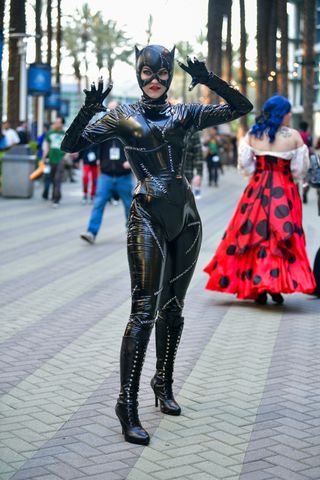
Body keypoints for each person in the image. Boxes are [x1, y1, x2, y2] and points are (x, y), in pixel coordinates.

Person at [61, 44, 252, 445]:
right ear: (137, 73)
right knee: (144, 310)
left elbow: (241, 106)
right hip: (146, 214)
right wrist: (89, 108)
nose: (154, 80)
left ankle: (162, 383)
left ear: (168, 74)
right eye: (146, 73)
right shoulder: (121, 117)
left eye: (161, 73)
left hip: (186, 218)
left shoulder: (186, 112)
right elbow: (70, 146)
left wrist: (208, 80)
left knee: (174, 308)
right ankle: (125, 404)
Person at [204, 95, 316, 305]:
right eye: (288, 111)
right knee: (279, 236)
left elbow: (245, 165)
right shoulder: (294, 136)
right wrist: (285, 177)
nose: (291, 114)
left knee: (251, 235)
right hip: (284, 192)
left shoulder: (254, 134)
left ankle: (257, 286)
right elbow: (299, 169)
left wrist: (259, 175)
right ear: (281, 113)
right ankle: (273, 286)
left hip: (257, 190)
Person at [80, 137, 133, 244]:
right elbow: (91, 146)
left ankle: (132, 232)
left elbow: (139, 149)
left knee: (130, 206)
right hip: (106, 177)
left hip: (124, 177)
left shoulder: (127, 133)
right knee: (98, 204)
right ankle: (91, 232)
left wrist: (131, 161)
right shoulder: (104, 134)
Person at [42, 117, 66, 208]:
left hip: (61, 158)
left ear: (62, 124)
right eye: (55, 122)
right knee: (52, 178)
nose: (56, 124)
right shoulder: (50, 133)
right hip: (52, 158)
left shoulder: (65, 134)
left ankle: (56, 199)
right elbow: (47, 146)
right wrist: (44, 157)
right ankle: (54, 195)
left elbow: (68, 147)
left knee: (57, 179)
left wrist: (65, 157)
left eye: (58, 122)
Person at [184, 131, 203, 199]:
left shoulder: (192, 132)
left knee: (185, 201)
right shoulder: (169, 129)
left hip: (186, 175)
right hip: (169, 176)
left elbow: (198, 155)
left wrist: (198, 174)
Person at [299, 121, 313, 203]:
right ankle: (305, 190)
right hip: (306, 157)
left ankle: (296, 192)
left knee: (295, 177)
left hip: (297, 158)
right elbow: (310, 147)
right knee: (306, 177)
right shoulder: (308, 136)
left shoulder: (297, 135)